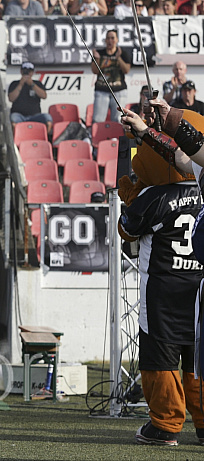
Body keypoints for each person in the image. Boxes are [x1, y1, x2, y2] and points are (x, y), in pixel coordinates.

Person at [118, 105, 204, 446]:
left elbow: (128, 229)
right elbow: (184, 155)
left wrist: (131, 196)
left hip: (163, 293)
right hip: (198, 290)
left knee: (160, 357)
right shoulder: (200, 182)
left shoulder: (154, 196)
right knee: (199, 358)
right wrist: (155, 127)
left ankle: (166, 425)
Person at [91, 29, 131, 124]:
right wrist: (97, 59)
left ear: (117, 40)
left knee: (118, 120)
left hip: (119, 90)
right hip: (101, 90)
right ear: (105, 40)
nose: (110, 41)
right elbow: (95, 71)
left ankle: (116, 139)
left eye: (112, 38)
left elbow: (126, 70)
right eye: (108, 38)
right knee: (98, 120)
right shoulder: (99, 53)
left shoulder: (123, 53)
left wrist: (118, 58)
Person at [7, 62, 52, 133]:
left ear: (32, 72)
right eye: (25, 71)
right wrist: (21, 84)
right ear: (21, 71)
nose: (27, 73)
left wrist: (32, 84)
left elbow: (44, 96)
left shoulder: (38, 83)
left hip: (35, 116)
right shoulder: (14, 83)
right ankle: (14, 141)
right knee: (13, 119)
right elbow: (11, 98)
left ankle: (45, 138)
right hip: (19, 115)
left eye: (29, 71)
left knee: (47, 118)